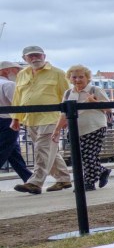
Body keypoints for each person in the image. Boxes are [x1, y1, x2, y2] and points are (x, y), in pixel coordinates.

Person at [12, 45, 71, 193]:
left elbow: (67, 96)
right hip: (31, 119)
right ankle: (63, 179)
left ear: (44, 56)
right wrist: (16, 118)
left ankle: (35, 182)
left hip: (51, 118)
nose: (35, 58)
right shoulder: (22, 74)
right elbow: (17, 97)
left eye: (38, 55)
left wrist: (66, 118)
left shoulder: (58, 73)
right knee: (49, 151)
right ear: (24, 58)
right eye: (31, 56)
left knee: (41, 150)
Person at [60, 65, 112, 190]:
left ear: (87, 77)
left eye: (81, 77)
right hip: (75, 130)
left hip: (94, 127)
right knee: (82, 156)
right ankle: (102, 171)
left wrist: (94, 102)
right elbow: (63, 114)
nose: (77, 80)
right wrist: (57, 130)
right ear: (69, 78)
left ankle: (88, 182)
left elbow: (109, 108)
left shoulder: (95, 90)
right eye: (74, 77)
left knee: (88, 155)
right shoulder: (68, 93)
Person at [0, 60, 32, 185]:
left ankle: (30, 179)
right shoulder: (9, 84)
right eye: (16, 70)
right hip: (8, 121)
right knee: (4, 150)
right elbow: (17, 104)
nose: (18, 72)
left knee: (13, 153)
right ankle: (30, 179)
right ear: (6, 70)